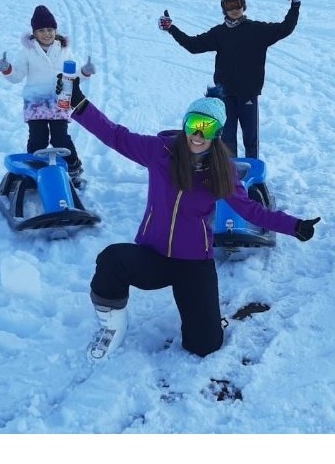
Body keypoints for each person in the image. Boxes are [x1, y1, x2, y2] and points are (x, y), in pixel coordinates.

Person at [61, 76, 321, 360]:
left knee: (204, 345)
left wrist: (294, 225)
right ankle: (113, 327)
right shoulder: (160, 151)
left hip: (194, 262)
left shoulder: (223, 171)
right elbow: (115, 135)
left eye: (206, 128)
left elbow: (250, 210)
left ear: (217, 133)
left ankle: (208, 321)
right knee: (111, 259)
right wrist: (79, 104)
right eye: (192, 125)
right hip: (154, 257)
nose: (197, 135)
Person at [157, 0, 302, 159]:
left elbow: (285, 28)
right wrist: (172, 29)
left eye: (238, 4)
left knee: (251, 139)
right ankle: (229, 177)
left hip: (248, 94)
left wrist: (295, 4)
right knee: (227, 139)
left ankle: (252, 178)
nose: (234, 9)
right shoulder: (219, 33)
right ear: (223, 8)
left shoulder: (257, 30)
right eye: (229, 5)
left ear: (244, 5)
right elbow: (193, 45)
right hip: (225, 95)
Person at [0, 4, 96, 185]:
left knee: (61, 137)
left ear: (55, 30)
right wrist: (7, 69)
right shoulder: (27, 51)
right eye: (41, 30)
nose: (46, 34)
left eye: (50, 29)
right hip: (36, 102)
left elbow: (71, 76)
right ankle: (33, 170)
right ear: (34, 32)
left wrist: (85, 72)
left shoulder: (64, 50)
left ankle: (73, 168)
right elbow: (17, 76)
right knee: (37, 138)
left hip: (60, 100)